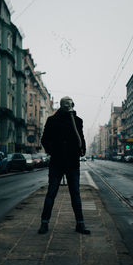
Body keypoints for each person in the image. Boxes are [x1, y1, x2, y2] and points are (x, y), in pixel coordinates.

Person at [38, 96, 90, 235]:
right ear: (61, 105)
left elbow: (81, 136)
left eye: (70, 103)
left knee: (75, 194)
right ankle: (44, 223)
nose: (68, 106)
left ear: (73, 104)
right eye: (66, 104)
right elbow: (44, 139)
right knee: (51, 193)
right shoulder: (52, 120)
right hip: (57, 162)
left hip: (72, 162)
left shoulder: (77, 121)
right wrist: (53, 150)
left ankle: (80, 224)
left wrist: (82, 149)